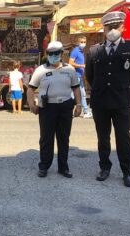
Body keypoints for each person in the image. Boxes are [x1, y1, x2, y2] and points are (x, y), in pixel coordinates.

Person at [85, 11, 130, 187]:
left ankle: (127, 172)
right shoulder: (95, 50)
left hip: (121, 101)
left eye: (115, 27)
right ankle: (104, 168)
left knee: (123, 137)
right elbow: (90, 75)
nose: (112, 30)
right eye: (109, 27)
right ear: (104, 29)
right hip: (100, 101)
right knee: (103, 138)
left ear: (122, 27)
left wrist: (123, 87)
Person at [27, 41, 82, 178]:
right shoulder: (41, 70)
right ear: (47, 54)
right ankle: (44, 166)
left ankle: (63, 167)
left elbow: (76, 88)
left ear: (61, 54)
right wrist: (31, 104)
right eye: (51, 53)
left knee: (64, 138)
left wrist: (79, 104)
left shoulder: (69, 69)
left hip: (65, 106)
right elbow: (30, 89)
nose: (54, 56)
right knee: (46, 138)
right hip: (47, 108)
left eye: (56, 53)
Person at [69, 35, 92, 118]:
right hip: (76, 76)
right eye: (81, 42)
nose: (83, 44)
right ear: (78, 42)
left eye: (84, 42)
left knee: (81, 94)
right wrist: (82, 66)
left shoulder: (81, 51)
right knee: (74, 94)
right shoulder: (75, 51)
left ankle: (85, 111)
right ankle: (83, 111)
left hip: (79, 76)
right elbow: (71, 63)